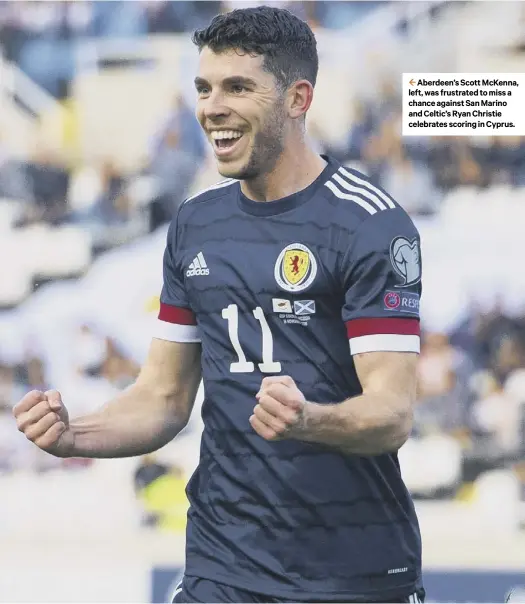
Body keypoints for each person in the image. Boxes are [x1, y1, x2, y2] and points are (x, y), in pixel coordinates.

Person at [13, 6, 425, 603]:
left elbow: (392, 413)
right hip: (223, 568)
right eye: (204, 88)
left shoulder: (369, 224)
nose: (212, 107)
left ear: (297, 98)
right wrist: (76, 434)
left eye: (238, 87)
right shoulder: (195, 224)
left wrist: (309, 420)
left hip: (351, 576)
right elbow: (162, 398)